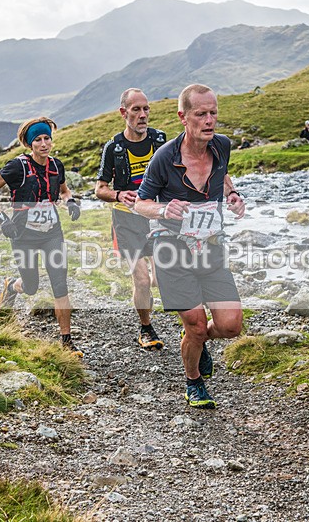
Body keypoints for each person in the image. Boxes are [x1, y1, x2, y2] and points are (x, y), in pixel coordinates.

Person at [135, 84, 246, 409]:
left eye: (213, 113)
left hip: (211, 247)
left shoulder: (221, 145)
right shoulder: (164, 159)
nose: (209, 120)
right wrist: (163, 210)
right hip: (172, 250)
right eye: (202, 114)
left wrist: (233, 195)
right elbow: (141, 203)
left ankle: (199, 342)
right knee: (195, 323)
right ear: (184, 117)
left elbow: (224, 176)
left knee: (229, 325)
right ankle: (193, 381)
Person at [0, 117, 84, 356]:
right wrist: (3, 219)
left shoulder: (57, 166)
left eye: (47, 138)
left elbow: (64, 190)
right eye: (38, 140)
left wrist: (71, 203)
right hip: (23, 235)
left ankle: (66, 342)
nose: (44, 143)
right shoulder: (17, 167)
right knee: (31, 286)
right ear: (29, 144)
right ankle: (11, 286)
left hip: (52, 233)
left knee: (60, 283)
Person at [95, 88, 167, 351]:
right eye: (136, 109)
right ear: (123, 112)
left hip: (157, 219)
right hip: (126, 221)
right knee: (142, 279)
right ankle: (146, 328)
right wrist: (117, 194)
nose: (143, 115)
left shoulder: (160, 140)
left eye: (146, 109)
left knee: (161, 279)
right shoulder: (113, 148)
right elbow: (99, 189)